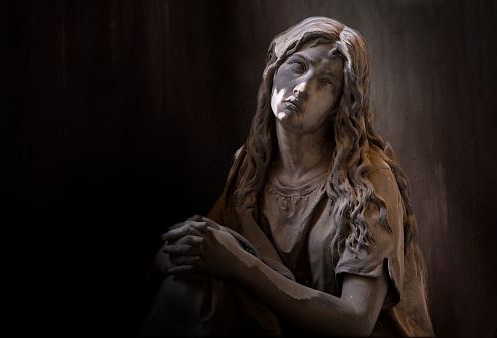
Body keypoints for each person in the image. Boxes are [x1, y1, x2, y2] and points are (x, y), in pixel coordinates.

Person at [141, 17, 435, 337]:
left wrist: (240, 265)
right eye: (297, 66)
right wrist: (172, 257)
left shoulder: (366, 180)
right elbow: (208, 250)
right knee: (187, 284)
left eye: (326, 82)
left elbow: (356, 321)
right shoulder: (251, 166)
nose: (303, 88)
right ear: (274, 71)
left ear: (340, 104)